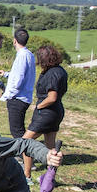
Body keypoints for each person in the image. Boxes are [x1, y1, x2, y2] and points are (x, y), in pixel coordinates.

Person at [21, 45, 68, 180]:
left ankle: (27, 175)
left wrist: (40, 106)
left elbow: (52, 97)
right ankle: (50, 177)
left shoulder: (52, 73)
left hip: (47, 112)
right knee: (50, 145)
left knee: (25, 142)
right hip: (57, 111)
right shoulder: (60, 71)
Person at [1, 28, 36, 139]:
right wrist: (6, 74)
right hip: (24, 96)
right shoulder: (29, 54)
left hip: (18, 97)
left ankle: (27, 154)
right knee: (19, 130)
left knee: (17, 131)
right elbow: (20, 74)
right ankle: (26, 153)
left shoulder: (21, 56)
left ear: (14, 41)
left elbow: (18, 79)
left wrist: (9, 94)